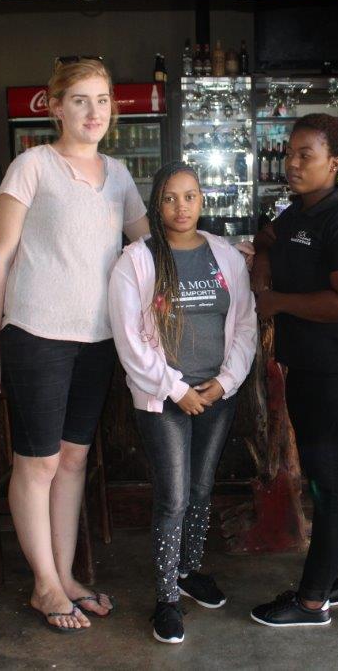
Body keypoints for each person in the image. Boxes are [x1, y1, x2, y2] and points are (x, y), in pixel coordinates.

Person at [0, 59, 148, 633]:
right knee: (39, 461)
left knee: (73, 460)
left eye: (103, 100)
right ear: (54, 107)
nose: (94, 112)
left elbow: (150, 246)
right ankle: (43, 585)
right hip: (36, 335)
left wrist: (218, 248)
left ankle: (65, 576)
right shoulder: (32, 166)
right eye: (80, 100)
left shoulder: (118, 175)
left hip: (98, 339)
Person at [248, 114, 338, 628]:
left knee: (331, 488)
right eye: (289, 152)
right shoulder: (296, 214)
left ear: (335, 163)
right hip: (313, 370)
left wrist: (278, 302)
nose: (292, 163)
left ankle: (311, 602)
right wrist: (265, 258)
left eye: (305, 154)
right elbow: (266, 246)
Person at [108, 161, 257, 644]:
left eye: (190, 196)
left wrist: (226, 381)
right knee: (173, 497)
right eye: (170, 198)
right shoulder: (137, 261)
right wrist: (177, 390)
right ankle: (166, 598)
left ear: (202, 200)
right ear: (157, 204)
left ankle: (189, 571)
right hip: (164, 398)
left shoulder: (224, 255)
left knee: (201, 488)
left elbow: (246, 322)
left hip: (216, 394)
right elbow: (130, 339)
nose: (181, 207)